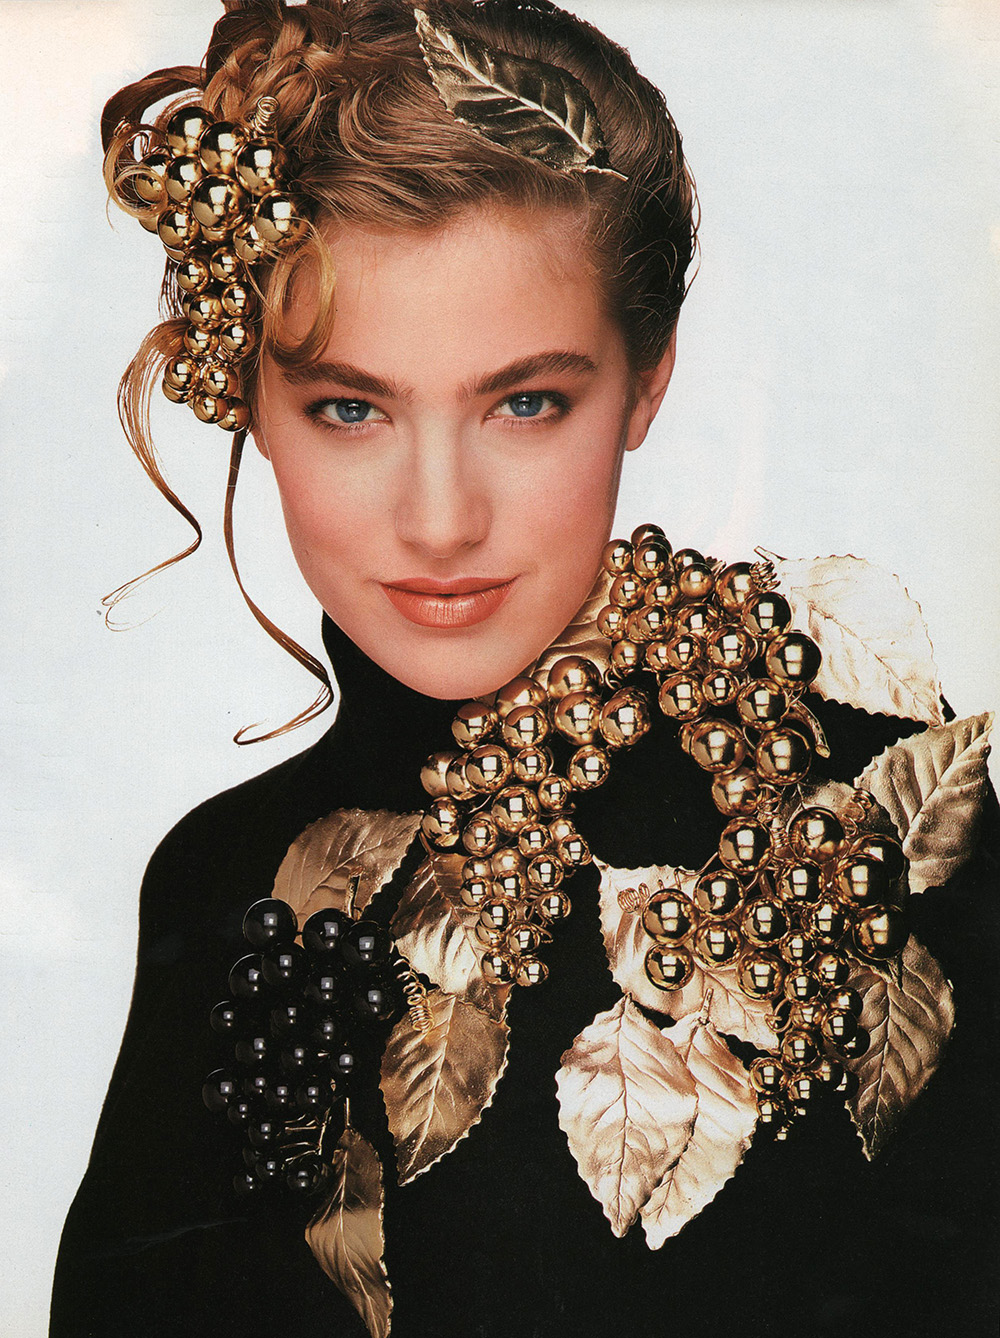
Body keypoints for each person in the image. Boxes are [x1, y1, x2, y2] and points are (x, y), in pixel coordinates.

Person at [51, 2, 998, 1336]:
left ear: (647, 381)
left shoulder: (854, 824)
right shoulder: (230, 888)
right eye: (351, 408)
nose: (441, 520)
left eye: (526, 403)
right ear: (249, 396)